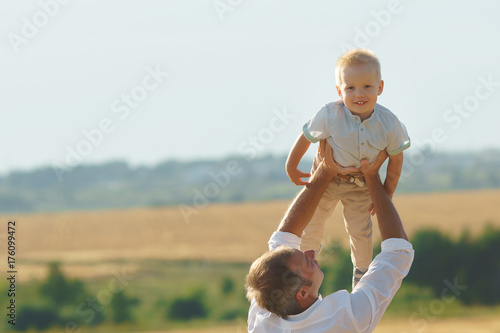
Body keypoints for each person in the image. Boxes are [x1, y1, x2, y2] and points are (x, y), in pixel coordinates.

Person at [246, 141, 414, 332]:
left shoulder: (265, 306)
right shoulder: (347, 319)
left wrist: (325, 171)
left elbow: (284, 237)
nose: (310, 253)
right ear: (302, 292)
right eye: (308, 262)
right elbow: (399, 252)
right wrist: (372, 176)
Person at [285, 48, 410, 287]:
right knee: (313, 221)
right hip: (326, 181)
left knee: (361, 231)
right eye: (350, 88)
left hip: (361, 185)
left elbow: (396, 161)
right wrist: (292, 166)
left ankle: (362, 275)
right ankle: (303, 267)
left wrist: (385, 193)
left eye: (366, 86)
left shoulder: (389, 123)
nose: (358, 93)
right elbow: (306, 137)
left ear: (380, 88)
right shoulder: (329, 115)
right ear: (339, 90)